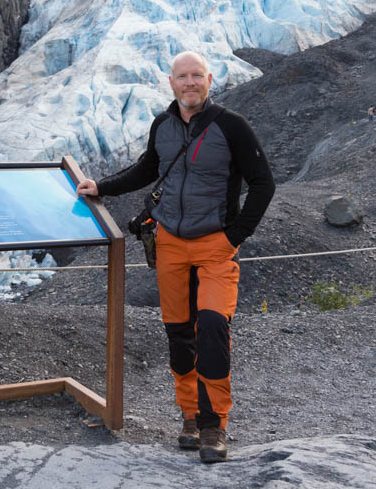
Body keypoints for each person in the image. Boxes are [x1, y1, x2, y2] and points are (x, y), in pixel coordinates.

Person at [76, 51, 274, 463]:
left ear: (209, 79)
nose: (190, 83)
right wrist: (103, 187)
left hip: (215, 247)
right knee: (179, 333)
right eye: (182, 76)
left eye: (196, 76)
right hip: (169, 245)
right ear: (171, 82)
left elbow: (263, 184)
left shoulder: (232, 127)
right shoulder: (163, 126)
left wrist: (234, 237)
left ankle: (213, 425)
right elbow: (148, 168)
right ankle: (189, 417)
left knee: (213, 328)